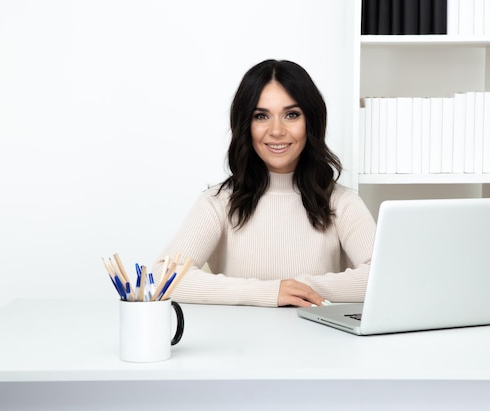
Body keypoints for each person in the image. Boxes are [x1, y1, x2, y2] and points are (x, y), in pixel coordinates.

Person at [153, 59, 375, 307]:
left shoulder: (342, 202)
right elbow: (163, 279)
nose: (276, 131)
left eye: (291, 115)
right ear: (245, 125)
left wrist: (296, 290)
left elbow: (384, 276)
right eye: (261, 116)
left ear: (311, 121)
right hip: (239, 344)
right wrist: (269, 291)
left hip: (320, 342)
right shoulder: (218, 203)